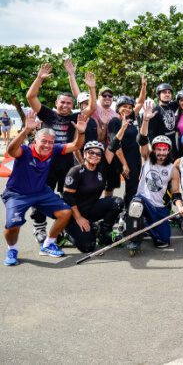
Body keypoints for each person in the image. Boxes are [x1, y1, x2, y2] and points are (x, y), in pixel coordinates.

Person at [3, 110, 87, 266]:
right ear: (35, 140)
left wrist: (81, 132)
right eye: (44, 141)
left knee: (65, 212)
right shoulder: (26, 151)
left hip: (41, 191)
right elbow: (11, 150)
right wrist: (25, 130)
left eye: (50, 142)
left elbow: (76, 145)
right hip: (17, 194)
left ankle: (48, 244)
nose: (47, 145)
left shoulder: (54, 150)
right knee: (12, 225)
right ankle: (12, 249)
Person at [26, 62, 96, 244]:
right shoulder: (47, 114)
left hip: (66, 163)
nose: (65, 105)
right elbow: (31, 96)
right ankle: (40, 228)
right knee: (41, 194)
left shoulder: (74, 117)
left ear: (72, 105)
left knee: (67, 196)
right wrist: (39, 78)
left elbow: (91, 109)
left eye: (68, 103)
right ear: (56, 103)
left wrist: (91, 88)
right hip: (45, 163)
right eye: (62, 102)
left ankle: (62, 227)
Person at [121, 101, 183, 255]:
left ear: (169, 151)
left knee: (163, 242)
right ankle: (134, 240)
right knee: (136, 205)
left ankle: (143, 226)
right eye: (158, 149)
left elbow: (176, 193)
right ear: (154, 150)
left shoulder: (173, 170)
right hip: (143, 200)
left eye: (165, 150)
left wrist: (179, 206)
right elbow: (142, 139)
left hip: (158, 208)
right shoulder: (146, 159)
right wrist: (145, 120)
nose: (161, 153)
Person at [62, 139, 124, 253]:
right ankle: (66, 234)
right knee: (88, 247)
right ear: (85, 154)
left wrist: (124, 127)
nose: (95, 155)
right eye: (91, 152)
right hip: (74, 215)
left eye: (98, 153)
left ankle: (104, 233)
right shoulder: (75, 171)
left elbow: (113, 145)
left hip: (91, 209)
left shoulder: (101, 168)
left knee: (117, 202)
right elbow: (67, 197)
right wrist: (79, 218)